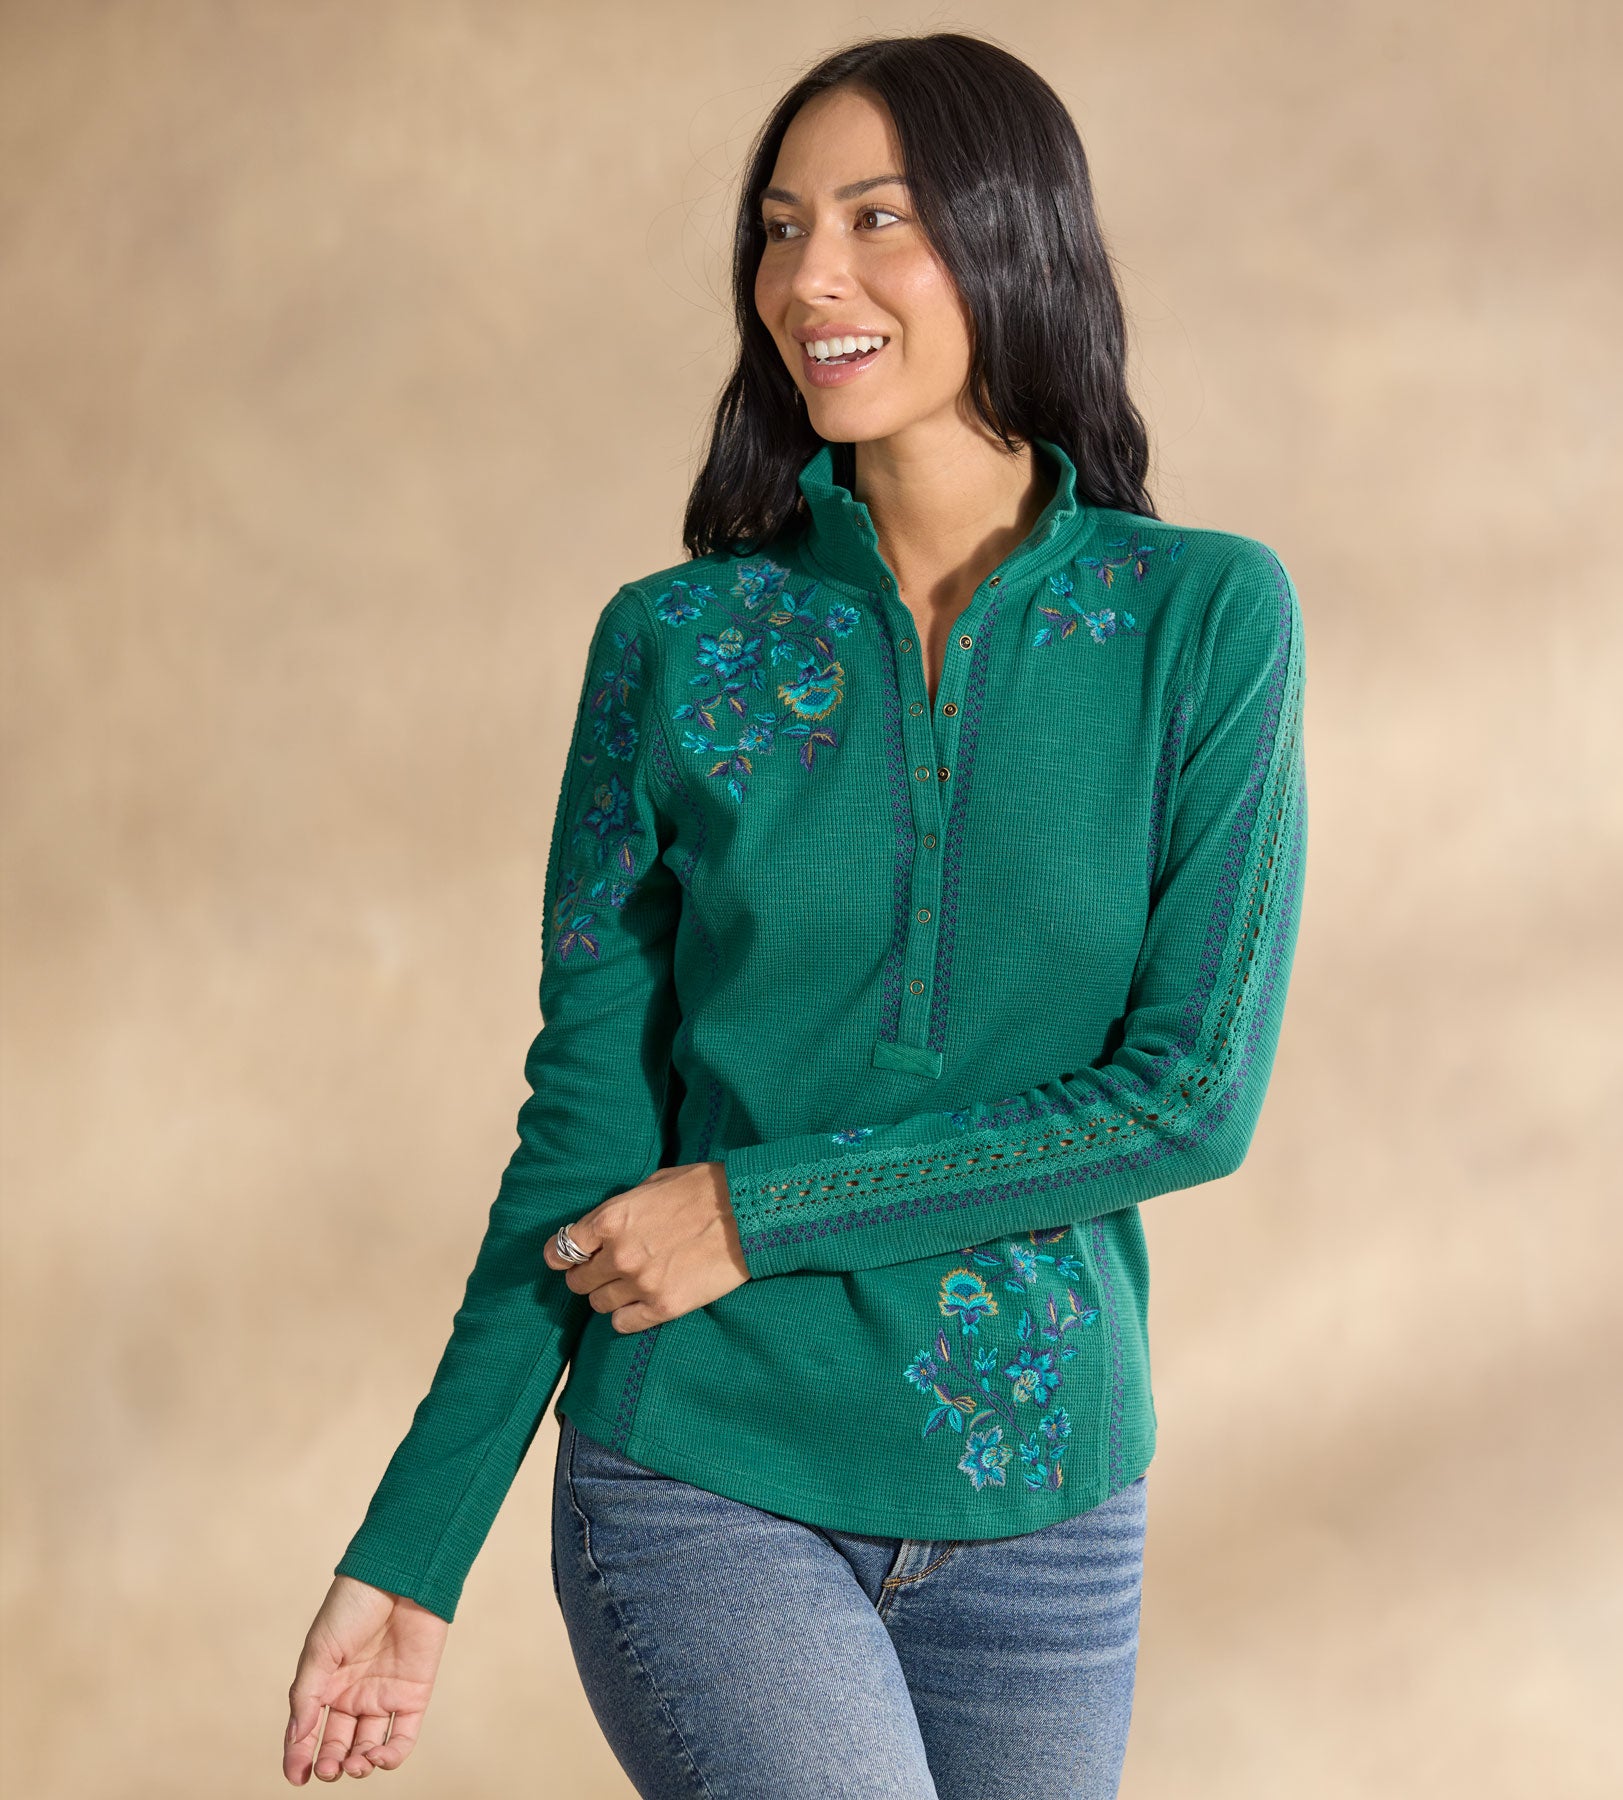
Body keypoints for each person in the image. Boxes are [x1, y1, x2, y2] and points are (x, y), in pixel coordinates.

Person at [282, 30, 1308, 1798]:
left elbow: (1187, 1099)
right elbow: (588, 1135)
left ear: (1014, 239)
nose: (806, 277)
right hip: (706, 1467)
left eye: (874, 219)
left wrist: (755, 1211)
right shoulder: (676, 643)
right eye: (779, 228)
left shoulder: (1204, 620)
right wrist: (413, 1546)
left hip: (1047, 1499)